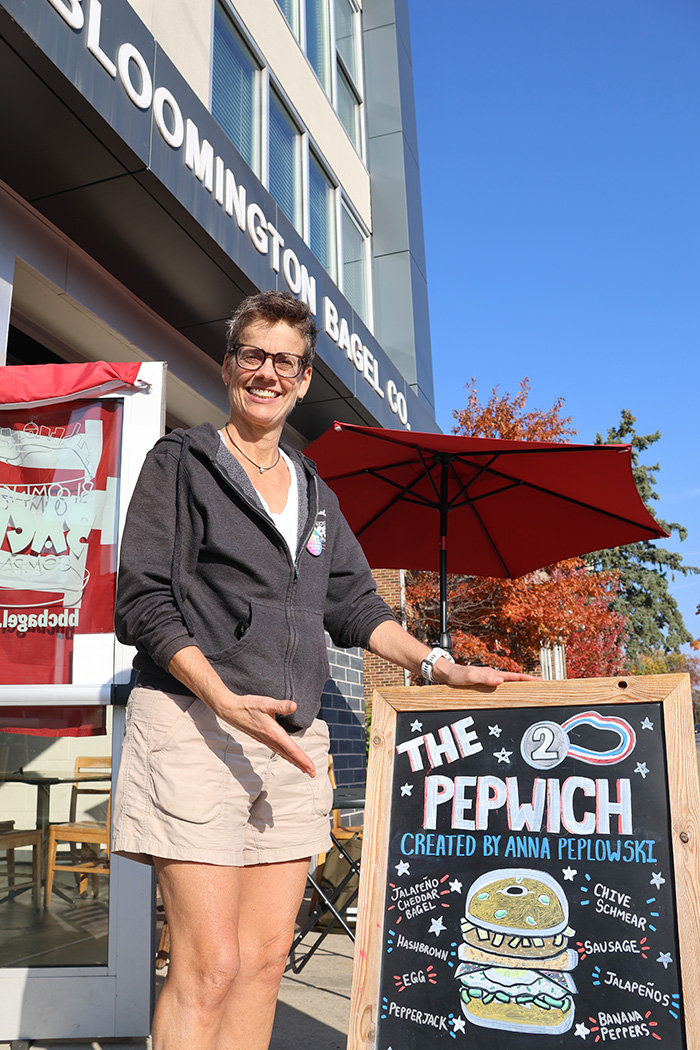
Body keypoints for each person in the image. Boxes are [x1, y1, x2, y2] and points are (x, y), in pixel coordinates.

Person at [111, 290, 532, 1050]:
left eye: (286, 362)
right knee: (210, 965)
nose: (267, 373)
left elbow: (358, 607)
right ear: (229, 363)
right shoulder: (182, 462)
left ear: (304, 379)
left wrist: (442, 666)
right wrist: (221, 695)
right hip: (193, 724)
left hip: (292, 745)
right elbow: (142, 601)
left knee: (267, 961)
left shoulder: (315, 494)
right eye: (254, 356)